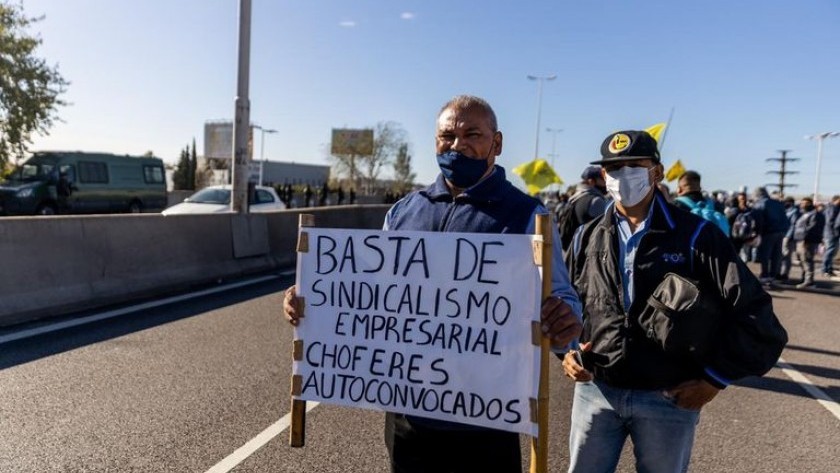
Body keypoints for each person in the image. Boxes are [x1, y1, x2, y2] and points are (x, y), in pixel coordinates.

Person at [283, 95, 583, 473]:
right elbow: (372, 297)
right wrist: (313, 302)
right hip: (410, 419)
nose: (457, 145)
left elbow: (562, 300)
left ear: (497, 143)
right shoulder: (404, 212)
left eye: (471, 134)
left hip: (485, 421)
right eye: (446, 136)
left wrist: (565, 322)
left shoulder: (527, 216)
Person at [561, 130, 787, 473]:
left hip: (667, 398)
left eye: (633, 166)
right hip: (596, 392)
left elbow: (757, 316)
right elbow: (567, 304)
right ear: (603, 176)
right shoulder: (586, 235)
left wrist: (714, 379)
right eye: (613, 169)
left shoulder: (697, 235)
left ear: (658, 172)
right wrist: (567, 350)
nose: (622, 176)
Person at [556, 165, 608, 250]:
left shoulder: (575, 198)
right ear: (591, 181)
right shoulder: (596, 201)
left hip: (573, 251)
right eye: (602, 179)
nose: (606, 182)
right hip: (588, 252)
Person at [751, 187, 790, 284]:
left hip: (767, 232)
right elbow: (785, 218)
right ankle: (773, 275)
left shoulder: (760, 204)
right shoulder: (778, 203)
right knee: (776, 254)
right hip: (780, 231)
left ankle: (765, 275)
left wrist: (757, 233)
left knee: (765, 254)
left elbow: (758, 220)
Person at [793, 196, 826, 289]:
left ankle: (809, 282)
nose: (802, 205)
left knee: (807, 260)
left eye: (805, 203)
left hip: (807, 241)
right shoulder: (804, 214)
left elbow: (812, 229)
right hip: (800, 240)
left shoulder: (815, 215)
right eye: (802, 203)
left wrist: (806, 240)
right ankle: (805, 278)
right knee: (802, 260)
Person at [779, 196, 800, 282]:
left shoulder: (794, 212)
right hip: (782, 235)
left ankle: (784, 274)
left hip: (788, 237)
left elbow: (793, 225)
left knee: (786, 256)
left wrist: (788, 236)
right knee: (782, 256)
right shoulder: (786, 211)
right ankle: (780, 273)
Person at [820, 195, 840, 277]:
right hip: (830, 233)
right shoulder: (832, 208)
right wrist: (835, 232)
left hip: (834, 233)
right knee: (829, 251)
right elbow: (830, 222)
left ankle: (829, 268)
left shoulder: (836, 208)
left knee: (832, 252)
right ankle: (825, 269)